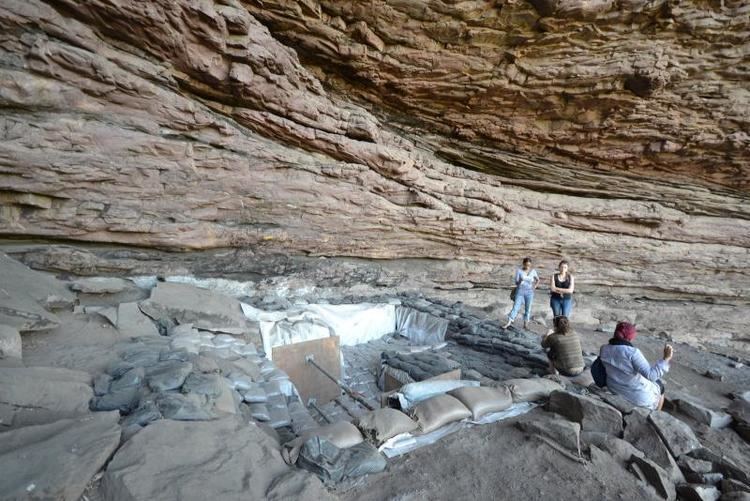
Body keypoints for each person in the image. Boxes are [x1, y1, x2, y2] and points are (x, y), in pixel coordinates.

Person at [598, 321, 673, 410]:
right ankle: (656, 415)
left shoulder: (604, 348)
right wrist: (666, 359)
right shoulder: (632, 353)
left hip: (614, 388)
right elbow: (651, 375)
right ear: (631, 337)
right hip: (636, 396)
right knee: (660, 386)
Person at [503, 257, 539, 330]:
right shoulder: (519, 271)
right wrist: (520, 280)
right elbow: (516, 283)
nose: (527, 267)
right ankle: (509, 322)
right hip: (520, 291)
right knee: (515, 307)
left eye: (529, 265)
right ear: (523, 264)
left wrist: (534, 286)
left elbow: (538, 280)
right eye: (526, 265)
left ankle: (525, 325)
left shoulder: (533, 271)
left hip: (529, 292)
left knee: (528, 308)